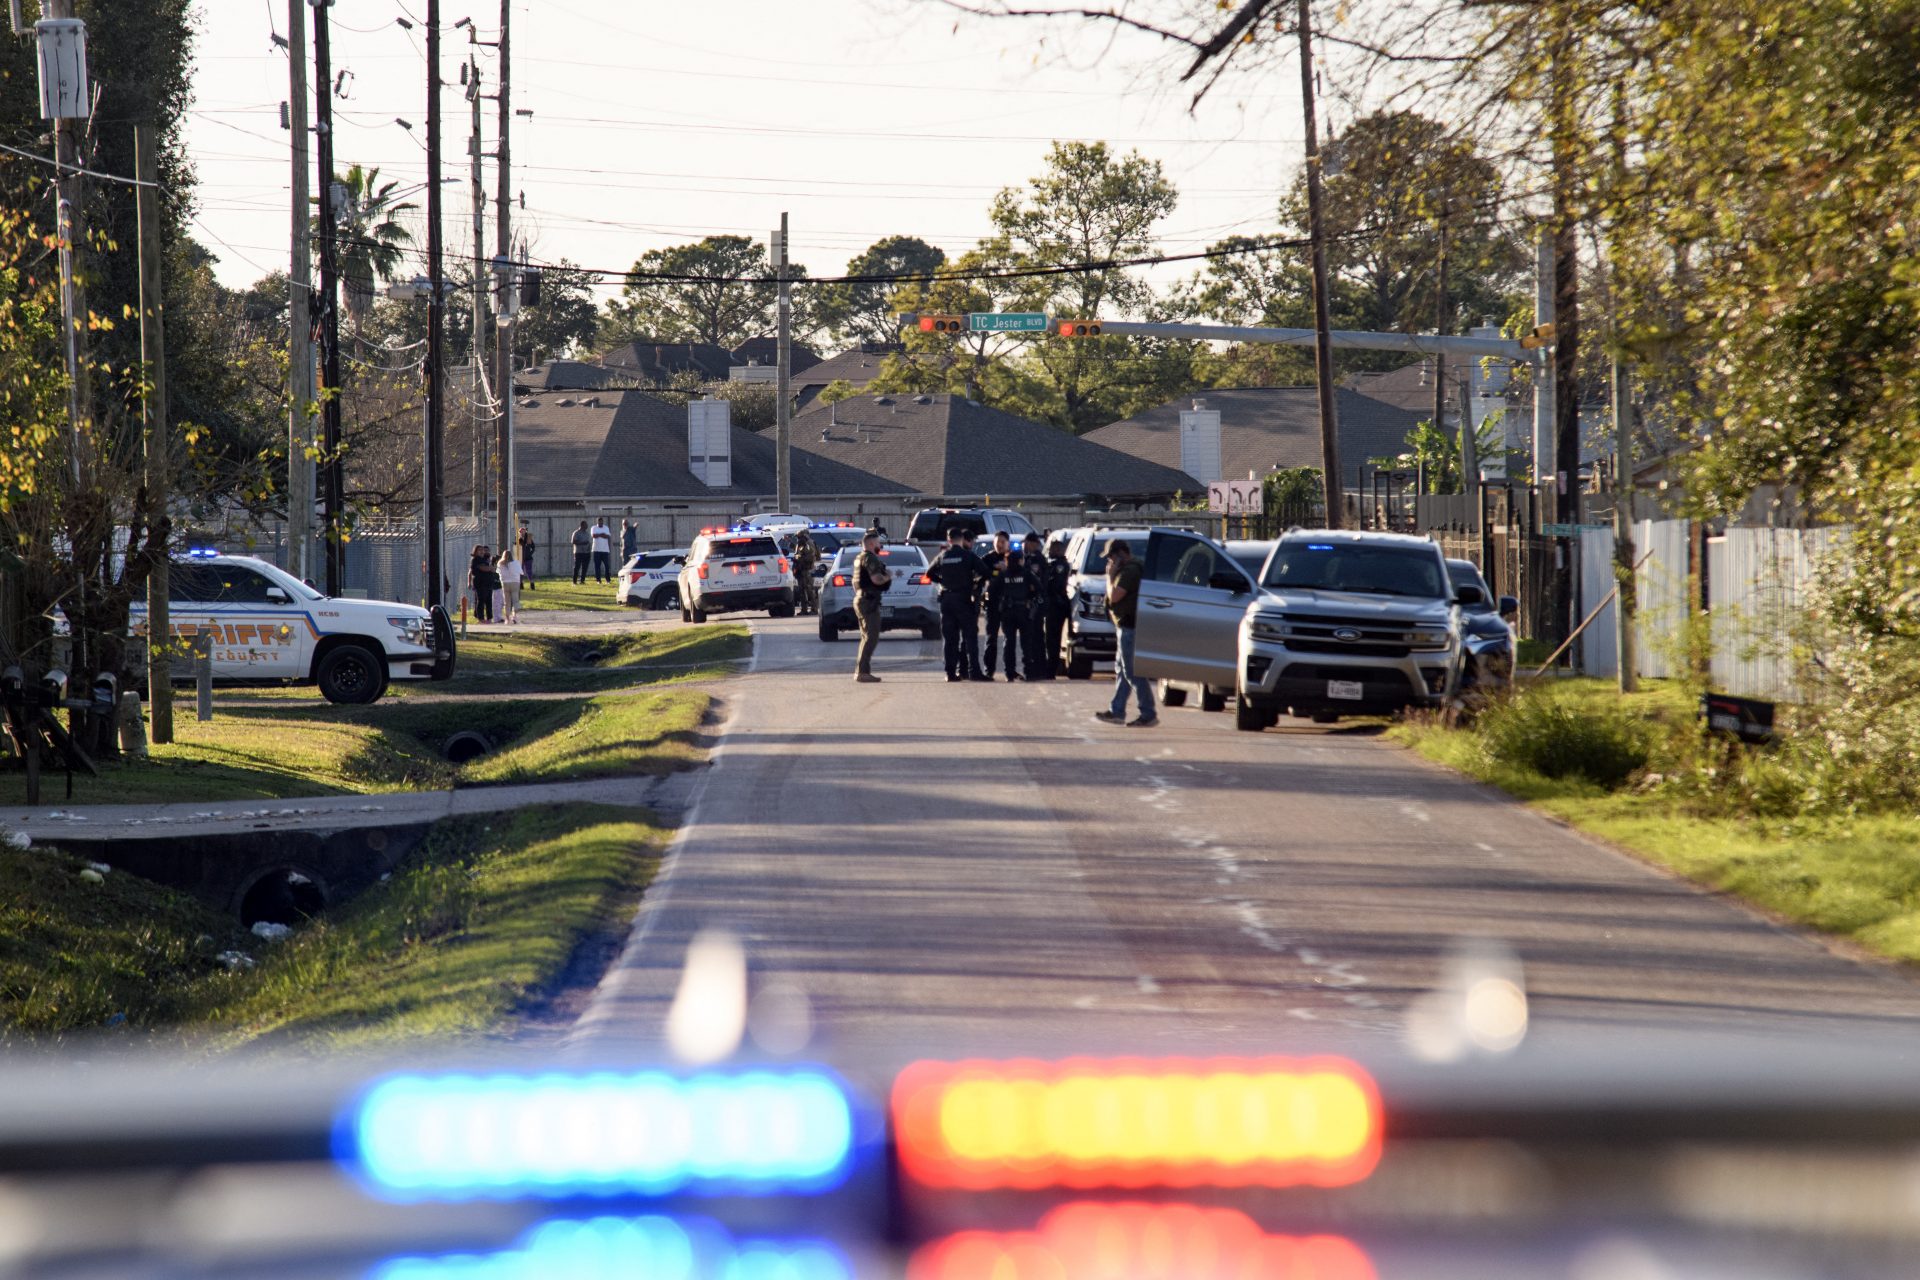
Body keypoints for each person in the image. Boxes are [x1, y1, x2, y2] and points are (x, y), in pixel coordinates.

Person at [1094, 538, 1156, 727]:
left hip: (1130, 626)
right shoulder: (1128, 569)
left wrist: (1110, 576)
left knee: (1132, 672)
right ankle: (1117, 710)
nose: (1109, 562)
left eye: (1111, 557)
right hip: (1124, 626)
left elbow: (1114, 596)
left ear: (1121, 554)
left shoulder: (1130, 571)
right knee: (1122, 671)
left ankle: (1148, 712)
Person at [926, 524, 988, 682]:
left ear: (948, 540)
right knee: (970, 637)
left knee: (950, 639)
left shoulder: (943, 555)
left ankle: (950, 673)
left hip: (947, 600)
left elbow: (929, 573)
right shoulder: (968, 555)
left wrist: (942, 581)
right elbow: (985, 572)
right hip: (963, 599)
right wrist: (975, 584)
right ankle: (974, 672)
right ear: (961, 539)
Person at [851, 529, 891, 683]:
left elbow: (855, 583)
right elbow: (876, 579)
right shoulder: (870, 558)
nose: (880, 546)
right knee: (871, 637)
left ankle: (861, 671)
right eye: (879, 543)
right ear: (872, 543)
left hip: (861, 599)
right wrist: (888, 576)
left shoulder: (859, 558)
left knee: (866, 636)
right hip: (868, 601)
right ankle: (862, 672)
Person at [1018, 533, 1053, 680]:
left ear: (1033, 543)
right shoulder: (1027, 558)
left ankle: (1038, 670)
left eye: (1026, 543)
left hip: (1035, 603)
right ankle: (1037, 669)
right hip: (1030, 602)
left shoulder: (1037, 559)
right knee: (1033, 636)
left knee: (1035, 637)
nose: (1023, 546)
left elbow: (1036, 582)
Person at [979, 530, 1012, 678]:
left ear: (1008, 543)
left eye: (1003, 542)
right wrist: (995, 571)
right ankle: (989, 671)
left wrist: (1006, 570)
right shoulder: (987, 558)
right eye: (997, 542)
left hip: (1009, 604)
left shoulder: (1013, 558)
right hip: (992, 602)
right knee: (991, 638)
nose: (1000, 545)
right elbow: (981, 574)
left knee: (1009, 638)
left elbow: (1021, 574)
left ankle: (1010, 671)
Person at [1043, 536, 1072, 678]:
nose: (1050, 551)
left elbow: (1056, 585)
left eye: (1053, 549)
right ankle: (1049, 668)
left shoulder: (1060, 565)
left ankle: (1051, 670)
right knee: (1050, 639)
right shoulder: (1053, 564)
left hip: (1057, 605)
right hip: (1053, 605)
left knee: (1053, 639)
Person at [791, 530, 820, 615]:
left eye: (799, 537)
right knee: (802, 591)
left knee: (810, 590)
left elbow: (810, 557)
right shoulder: (802, 544)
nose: (798, 539)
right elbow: (801, 552)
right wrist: (794, 547)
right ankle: (804, 610)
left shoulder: (809, 543)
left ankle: (814, 609)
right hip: (801, 570)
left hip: (807, 570)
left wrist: (799, 559)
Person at [468, 543, 499, 623]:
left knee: (489, 601)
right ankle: (481, 618)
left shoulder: (485, 559)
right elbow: (483, 568)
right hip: (480, 583)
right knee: (481, 601)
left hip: (488, 583)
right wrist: (490, 568)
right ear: (475, 551)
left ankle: (489, 618)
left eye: (483, 550)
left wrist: (491, 567)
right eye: (480, 550)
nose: (482, 552)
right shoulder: (475, 560)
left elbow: (492, 568)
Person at [497, 548, 523, 624]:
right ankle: (514, 616)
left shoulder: (500, 563)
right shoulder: (516, 562)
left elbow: (498, 573)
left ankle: (507, 618)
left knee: (507, 602)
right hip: (515, 582)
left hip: (505, 583)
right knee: (515, 600)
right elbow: (521, 572)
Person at [589, 518, 614, 583]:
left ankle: (608, 580)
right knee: (597, 566)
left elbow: (607, 536)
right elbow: (593, 535)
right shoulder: (593, 528)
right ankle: (598, 580)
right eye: (600, 522)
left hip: (605, 550)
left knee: (607, 566)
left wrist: (599, 535)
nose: (601, 523)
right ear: (597, 522)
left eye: (602, 522)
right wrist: (601, 534)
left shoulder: (606, 528)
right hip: (596, 550)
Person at [517, 524, 538, 590]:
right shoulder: (518, 539)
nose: (522, 533)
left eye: (523, 531)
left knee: (529, 572)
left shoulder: (528, 539)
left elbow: (533, 547)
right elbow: (516, 547)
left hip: (528, 558)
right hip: (521, 558)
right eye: (520, 532)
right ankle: (521, 585)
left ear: (525, 532)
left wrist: (530, 554)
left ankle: (532, 584)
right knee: (520, 572)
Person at [570, 520, 592, 585]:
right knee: (577, 567)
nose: (587, 526)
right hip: (578, 552)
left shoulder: (587, 533)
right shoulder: (576, 533)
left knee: (584, 567)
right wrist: (582, 543)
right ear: (582, 525)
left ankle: (582, 580)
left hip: (586, 553)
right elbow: (573, 542)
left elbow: (588, 542)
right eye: (586, 525)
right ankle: (574, 581)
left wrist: (589, 549)